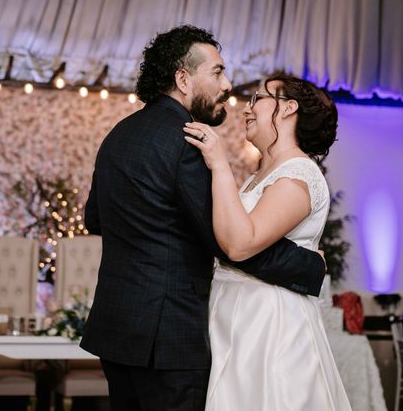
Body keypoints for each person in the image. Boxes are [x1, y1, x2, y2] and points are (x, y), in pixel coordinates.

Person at [82, 25, 327, 411]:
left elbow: (94, 219)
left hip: (116, 329)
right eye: (216, 72)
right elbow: (229, 242)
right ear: (183, 79)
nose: (227, 85)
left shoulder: (119, 135)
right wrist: (307, 264)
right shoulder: (187, 141)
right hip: (168, 337)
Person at [184, 74, 351, 409]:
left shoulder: (298, 174)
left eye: (258, 98)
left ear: (288, 108)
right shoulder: (261, 175)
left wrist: (219, 165)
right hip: (231, 311)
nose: (247, 109)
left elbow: (241, 244)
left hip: (268, 321)